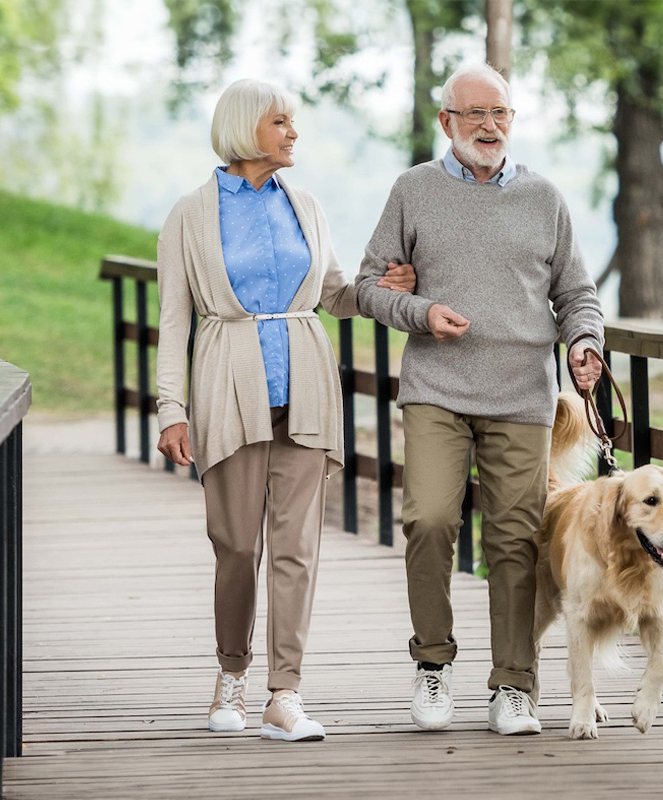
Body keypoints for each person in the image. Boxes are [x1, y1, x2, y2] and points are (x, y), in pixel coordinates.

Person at [155, 78, 415, 742]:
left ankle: (284, 693)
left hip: (305, 384)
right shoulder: (190, 214)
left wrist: (380, 288)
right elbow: (174, 321)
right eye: (281, 122)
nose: (293, 133)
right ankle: (231, 675)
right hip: (228, 388)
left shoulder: (306, 204)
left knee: (297, 548)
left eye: (293, 122)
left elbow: (331, 292)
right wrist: (171, 409)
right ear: (247, 128)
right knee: (236, 545)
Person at [355, 63, 604, 735]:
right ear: (447, 123)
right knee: (430, 520)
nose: (489, 126)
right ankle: (432, 666)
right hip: (437, 387)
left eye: (501, 113)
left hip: (523, 394)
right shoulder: (414, 190)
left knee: (516, 538)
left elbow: (576, 294)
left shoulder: (545, 198)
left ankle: (514, 686)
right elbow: (369, 285)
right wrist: (421, 311)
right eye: (474, 115)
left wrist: (584, 341)